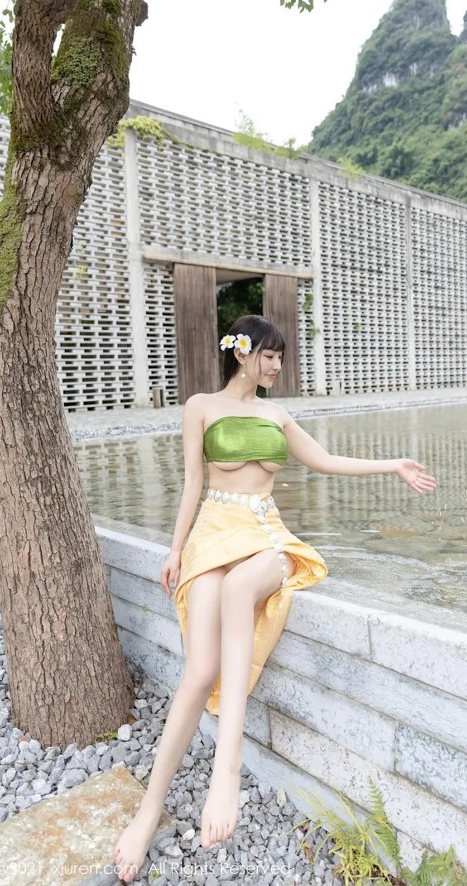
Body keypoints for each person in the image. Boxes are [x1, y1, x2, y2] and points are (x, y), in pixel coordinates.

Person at [113, 313, 437, 883]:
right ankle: (146, 811)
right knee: (198, 671)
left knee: (242, 587)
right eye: (270, 355)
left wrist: (394, 464)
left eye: (282, 357)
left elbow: (327, 462)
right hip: (213, 535)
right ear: (242, 353)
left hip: (266, 536)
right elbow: (192, 482)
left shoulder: (277, 415)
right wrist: (173, 549)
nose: (277, 365)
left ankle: (226, 770)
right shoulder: (199, 406)